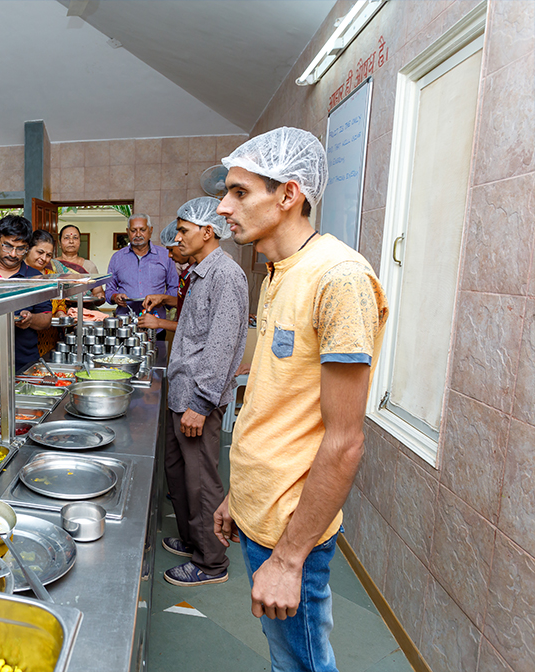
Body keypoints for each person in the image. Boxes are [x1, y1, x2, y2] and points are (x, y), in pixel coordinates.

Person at [211, 127, 388, 672]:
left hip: (294, 532)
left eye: (240, 192)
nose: (223, 207)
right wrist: (238, 497)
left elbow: (344, 441)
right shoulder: (278, 272)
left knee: (304, 664)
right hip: (262, 510)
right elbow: (278, 404)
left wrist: (289, 558)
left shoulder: (339, 279)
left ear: (288, 195)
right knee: (285, 657)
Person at [159, 197, 248, 587]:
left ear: (207, 231)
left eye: (183, 231)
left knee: (202, 481)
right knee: (178, 475)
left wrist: (201, 403)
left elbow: (222, 344)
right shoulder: (199, 273)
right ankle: (194, 539)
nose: (177, 238)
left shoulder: (226, 275)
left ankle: (211, 562)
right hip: (181, 393)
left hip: (197, 399)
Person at [0, 214, 53, 383]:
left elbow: (46, 319)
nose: (13, 254)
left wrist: (31, 319)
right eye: (8, 246)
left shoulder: (35, 277)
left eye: (21, 249)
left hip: (24, 365)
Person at [105, 213, 177, 320]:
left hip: (156, 322)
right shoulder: (117, 258)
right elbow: (109, 289)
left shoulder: (165, 256)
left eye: (142, 230)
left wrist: (163, 301)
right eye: (133, 230)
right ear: (127, 231)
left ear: (150, 230)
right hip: (125, 324)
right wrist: (115, 297)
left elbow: (174, 287)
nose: (138, 234)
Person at [140, 221, 197, 333]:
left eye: (171, 250)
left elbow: (197, 326)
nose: (169, 255)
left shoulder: (203, 274)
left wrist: (159, 322)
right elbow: (189, 303)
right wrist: (164, 299)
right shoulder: (189, 271)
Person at [25, 229, 70, 357]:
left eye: (49, 255)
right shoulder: (19, 275)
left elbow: (61, 302)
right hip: (26, 342)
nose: (43, 258)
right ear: (28, 248)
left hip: (51, 340)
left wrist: (61, 312)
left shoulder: (52, 277)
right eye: (40, 252)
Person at [56, 224, 105, 299]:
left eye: (75, 238)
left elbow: (98, 291)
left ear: (80, 242)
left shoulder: (89, 265)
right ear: (59, 243)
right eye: (66, 238)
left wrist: (99, 296)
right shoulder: (52, 265)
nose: (71, 241)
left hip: (84, 308)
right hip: (58, 309)